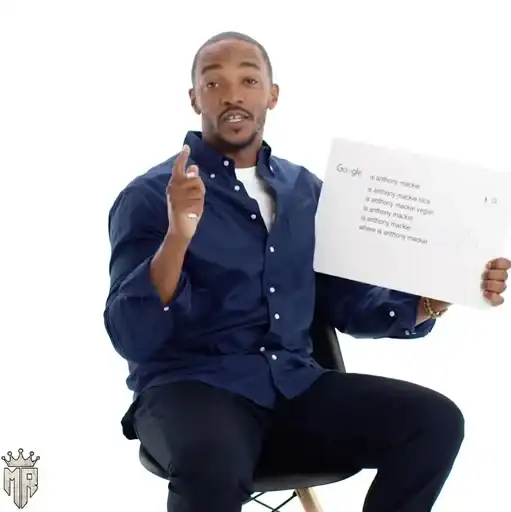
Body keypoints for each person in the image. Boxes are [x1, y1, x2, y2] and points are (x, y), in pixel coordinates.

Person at [103, 31, 510, 512]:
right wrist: (178, 235)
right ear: (195, 99)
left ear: (272, 94)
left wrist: (432, 298)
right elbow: (132, 334)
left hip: (294, 385)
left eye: (249, 80)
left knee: (435, 422)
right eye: (214, 84)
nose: (232, 95)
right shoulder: (150, 196)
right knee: (212, 462)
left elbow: (348, 302)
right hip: (192, 388)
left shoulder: (305, 191)